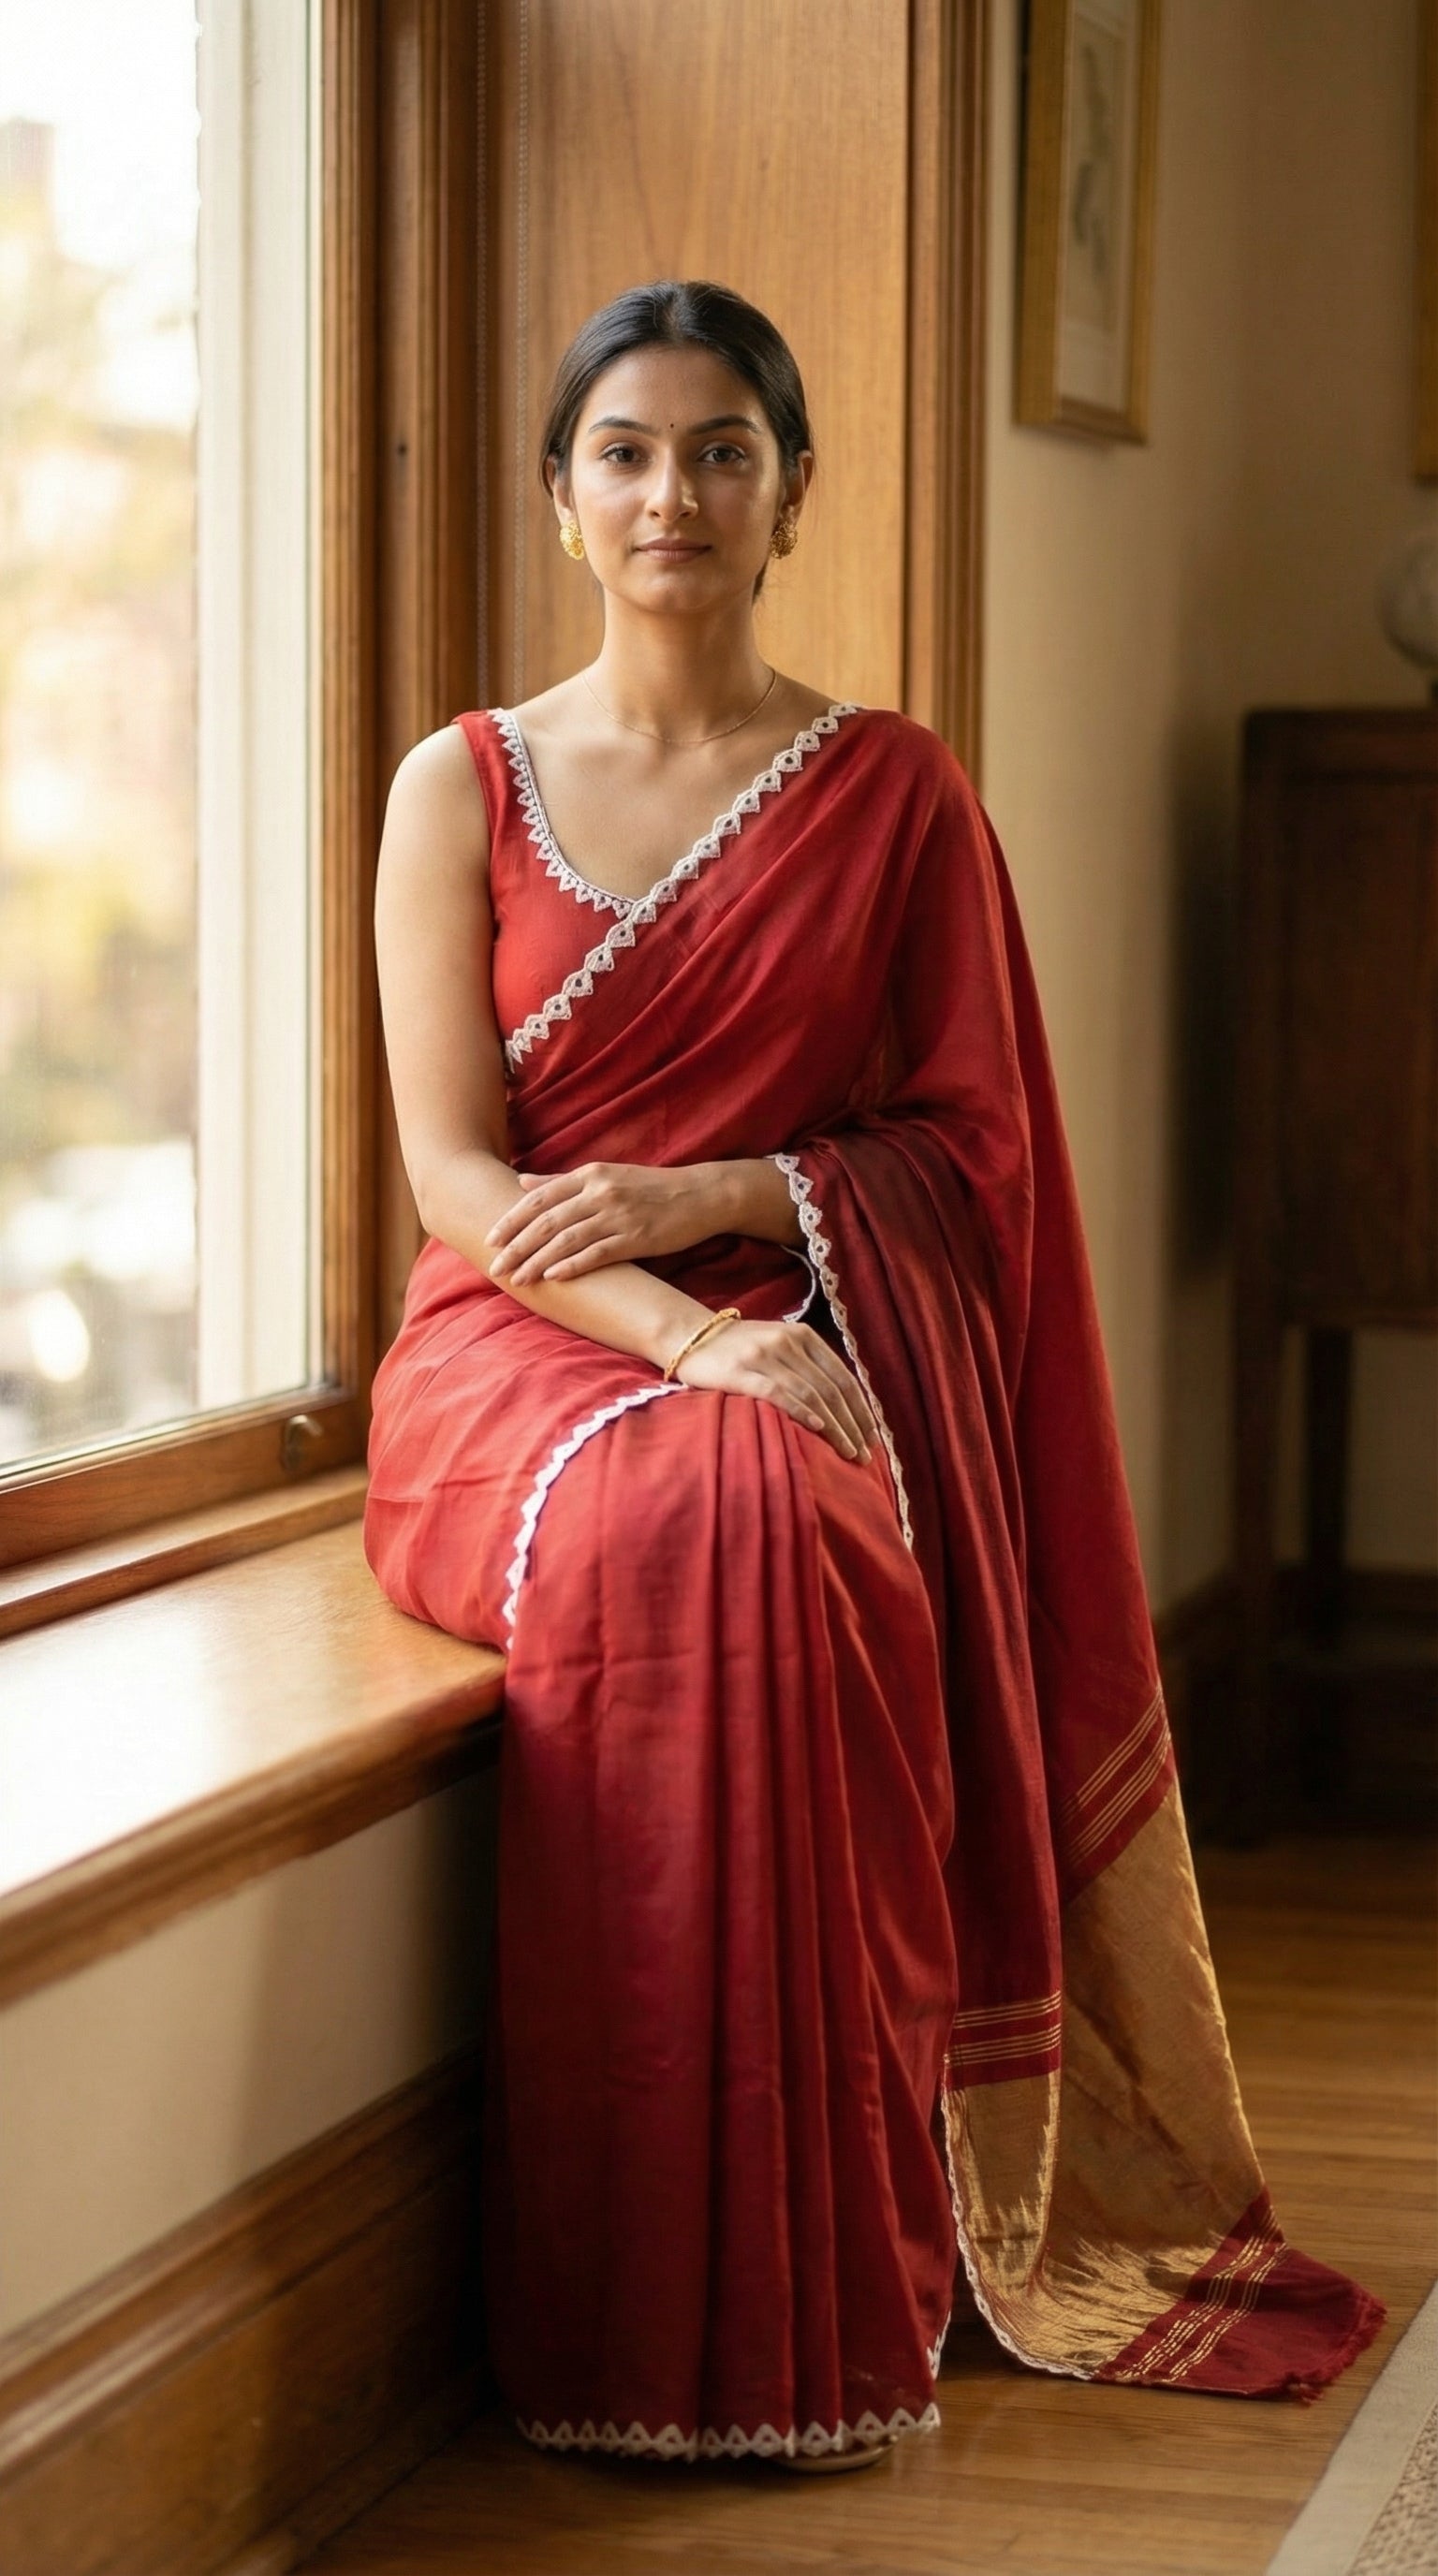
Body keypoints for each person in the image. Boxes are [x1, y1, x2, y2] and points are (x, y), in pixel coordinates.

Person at [363, 280, 1381, 2470]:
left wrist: (721, 1210)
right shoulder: (457, 787)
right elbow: (459, 1180)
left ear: (796, 492)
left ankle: (834, 2287)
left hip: (813, 1343)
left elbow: (976, 1156)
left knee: (759, 1513)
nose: (674, 494)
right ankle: (645, 2318)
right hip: (521, 1359)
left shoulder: (894, 798)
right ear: (560, 495)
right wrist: (684, 1321)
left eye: (724, 450)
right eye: (626, 450)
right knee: (700, 1494)